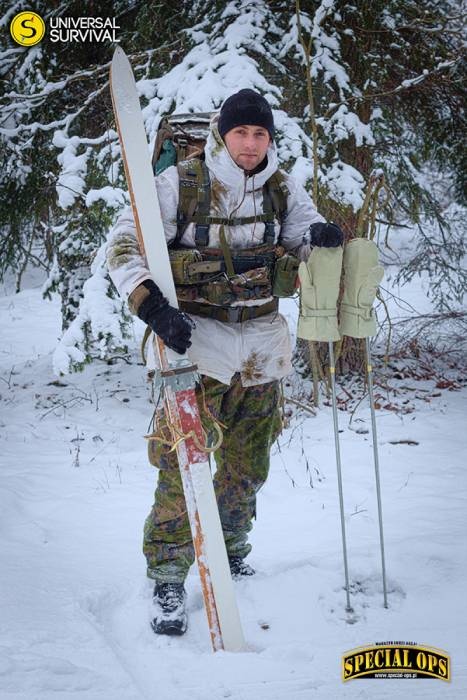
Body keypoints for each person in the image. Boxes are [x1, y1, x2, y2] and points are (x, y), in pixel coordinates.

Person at [106, 89, 343, 635]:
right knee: (180, 461)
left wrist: (316, 238)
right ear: (223, 133)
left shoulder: (282, 189)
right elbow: (125, 245)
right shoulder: (180, 184)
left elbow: (302, 238)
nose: (251, 144)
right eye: (241, 133)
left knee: (248, 461)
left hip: (261, 339)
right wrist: (152, 306)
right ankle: (168, 573)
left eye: (260, 134)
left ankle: (232, 548)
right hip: (198, 338)